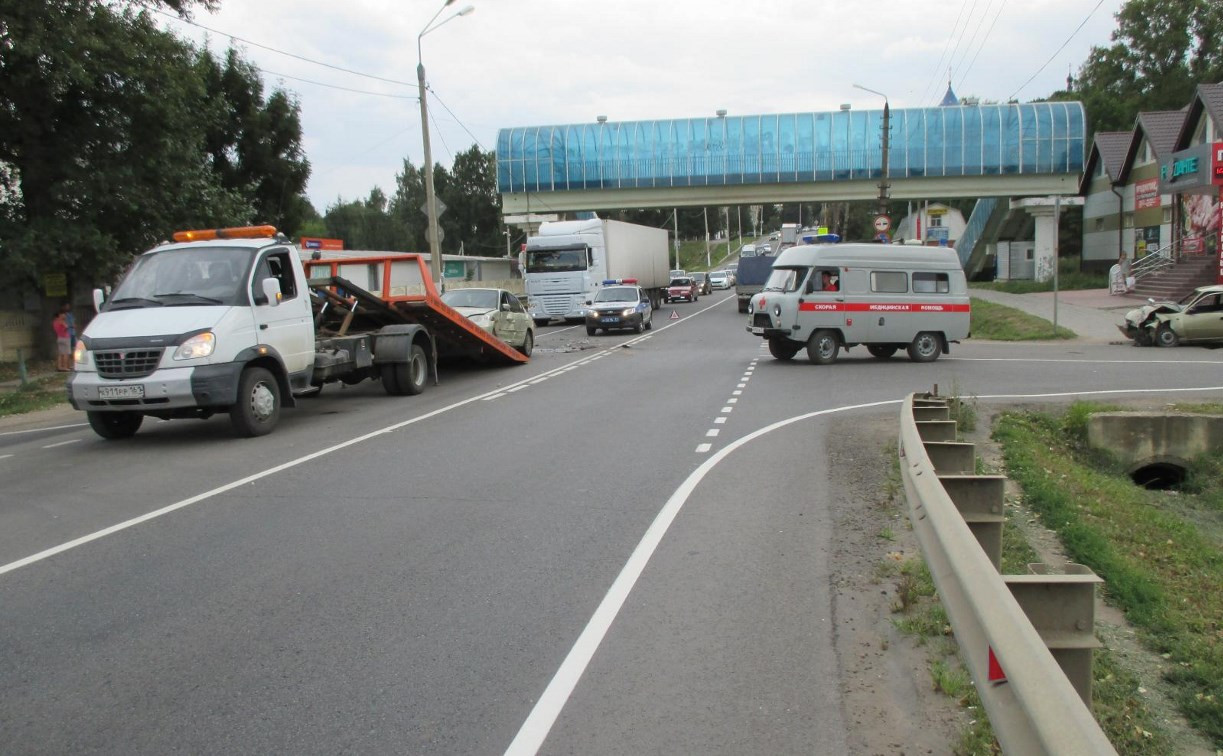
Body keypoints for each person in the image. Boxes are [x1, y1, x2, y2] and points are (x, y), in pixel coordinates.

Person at [53, 303, 72, 371]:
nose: (65, 315)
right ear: (60, 315)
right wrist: (66, 326)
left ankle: (59, 366)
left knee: (60, 354)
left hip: (59, 338)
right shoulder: (61, 321)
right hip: (65, 338)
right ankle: (66, 367)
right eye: (63, 314)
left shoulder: (54, 322)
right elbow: (66, 327)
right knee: (66, 353)